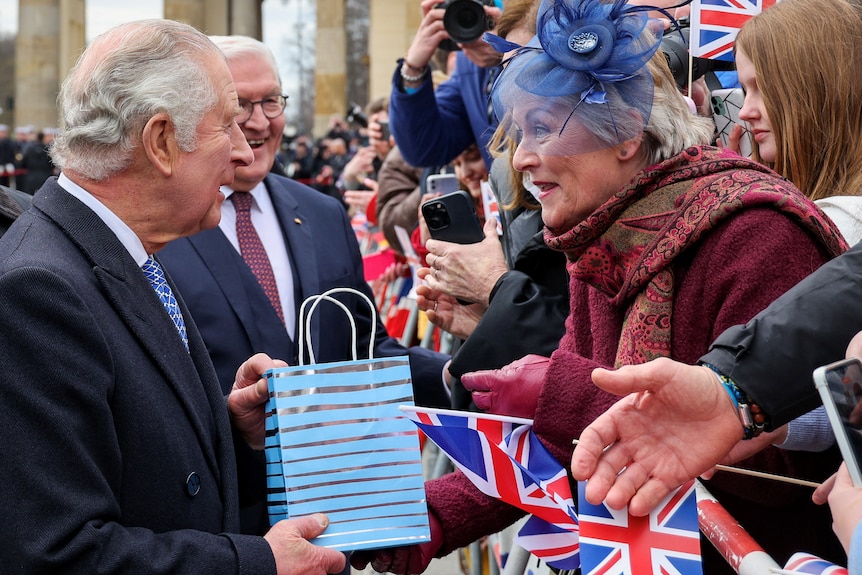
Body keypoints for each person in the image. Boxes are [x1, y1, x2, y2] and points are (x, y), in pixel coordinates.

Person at [352, 0, 850, 572]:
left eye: (543, 129)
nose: (524, 160)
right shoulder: (603, 239)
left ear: (626, 132)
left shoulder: (755, 234)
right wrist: (424, 518)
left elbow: (778, 471)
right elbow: (557, 443)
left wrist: (558, 392)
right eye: (520, 133)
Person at [0, 19, 346, 574]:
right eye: (226, 126)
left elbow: (134, 467)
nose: (242, 152)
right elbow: (55, 553)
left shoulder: (120, 251)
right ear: (161, 141)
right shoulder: (37, 290)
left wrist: (232, 432)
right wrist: (258, 564)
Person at [730, 0, 862, 244]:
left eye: (763, 88)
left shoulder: (834, 227)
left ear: (821, 89)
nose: (745, 112)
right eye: (745, 90)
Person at [389, 0, 503, 169]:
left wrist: (512, 48)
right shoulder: (468, 65)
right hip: (513, 194)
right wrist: (413, 68)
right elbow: (425, 149)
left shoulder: (547, 20)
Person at [19, 128, 58, 194]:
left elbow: (23, 163)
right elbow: (52, 164)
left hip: (31, 177)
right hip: (45, 176)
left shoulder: (29, 149)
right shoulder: (48, 150)